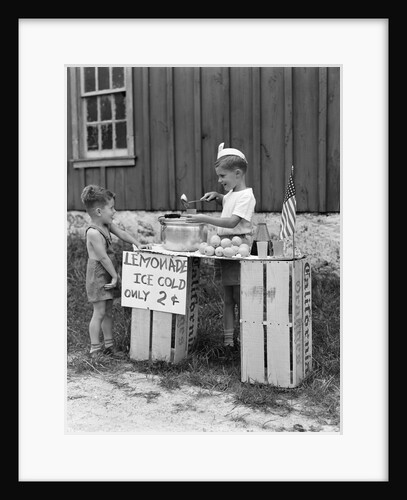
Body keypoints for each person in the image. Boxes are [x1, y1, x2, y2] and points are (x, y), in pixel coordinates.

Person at [185, 143, 256, 354]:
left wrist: (204, 218)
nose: (219, 180)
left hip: (237, 247)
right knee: (228, 296)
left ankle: (243, 339)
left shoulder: (247, 196)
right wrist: (219, 196)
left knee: (238, 296)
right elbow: (230, 202)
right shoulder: (234, 193)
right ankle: (228, 342)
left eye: (222, 176)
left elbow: (233, 221)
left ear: (237, 173)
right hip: (226, 249)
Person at [80, 185, 151, 360]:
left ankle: (110, 346)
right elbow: (103, 258)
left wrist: (137, 244)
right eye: (111, 208)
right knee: (99, 312)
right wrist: (114, 275)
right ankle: (95, 349)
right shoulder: (94, 233)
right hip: (99, 275)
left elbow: (121, 233)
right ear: (98, 211)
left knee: (108, 311)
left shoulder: (106, 224)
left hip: (108, 271)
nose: (114, 211)